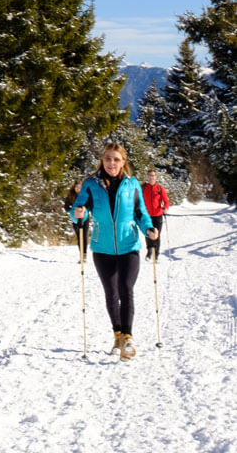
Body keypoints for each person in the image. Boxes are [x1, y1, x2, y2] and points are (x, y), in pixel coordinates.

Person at [71, 143, 158, 361]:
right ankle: (117, 335)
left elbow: (140, 212)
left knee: (126, 288)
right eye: (108, 159)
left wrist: (148, 229)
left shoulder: (132, 184)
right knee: (111, 293)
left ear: (123, 162)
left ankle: (128, 337)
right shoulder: (91, 184)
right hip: (102, 248)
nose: (112, 163)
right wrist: (78, 213)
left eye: (116, 159)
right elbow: (78, 210)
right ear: (102, 160)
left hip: (129, 245)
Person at [142, 169, 170, 261]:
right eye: (149, 175)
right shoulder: (143, 187)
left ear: (156, 177)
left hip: (158, 215)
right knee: (148, 234)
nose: (151, 177)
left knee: (157, 235)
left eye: (153, 175)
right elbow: (138, 199)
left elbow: (166, 200)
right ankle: (149, 252)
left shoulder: (159, 188)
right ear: (147, 177)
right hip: (147, 215)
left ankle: (156, 255)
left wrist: (165, 208)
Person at [64, 181, 89, 262]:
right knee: (79, 237)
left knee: (84, 236)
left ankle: (84, 255)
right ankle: (81, 255)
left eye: (80, 188)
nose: (78, 189)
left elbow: (90, 205)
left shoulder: (85, 195)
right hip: (75, 219)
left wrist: (84, 208)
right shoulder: (71, 196)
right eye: (77, 187)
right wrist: (72, 207)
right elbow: (66, 207)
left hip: (85, 218)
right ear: (74, 188)